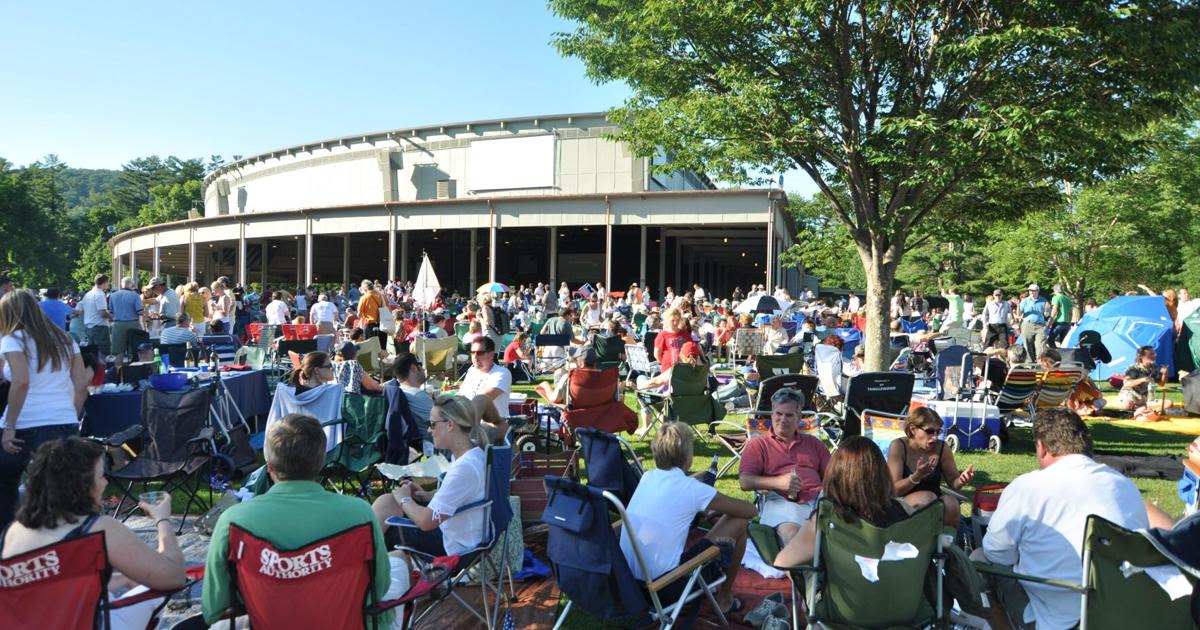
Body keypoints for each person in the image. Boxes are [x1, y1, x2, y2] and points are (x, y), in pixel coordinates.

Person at [203, 414, 399, 625]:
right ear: (321, 461)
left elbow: (214, 608)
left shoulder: (234, 522)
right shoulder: (360, 514)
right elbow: (380, 585)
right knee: (398, 562)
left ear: (269, 467)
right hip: (347, 622)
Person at [974, 409, 1148, 630]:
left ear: (1042, 448)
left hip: (1059, 618)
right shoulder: (1123, 485)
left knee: (978, 559)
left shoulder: (1028, 487)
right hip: (1119, 611)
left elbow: (996, 553)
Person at [2, 438, 186, 629]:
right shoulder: (96, 530)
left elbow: (51, 585)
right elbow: (174, 577)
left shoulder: (12, 532)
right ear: (81, 487)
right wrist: (162, 519)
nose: (106, 482)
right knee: (153, 587)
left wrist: (123, 578)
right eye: (100, 476)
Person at [620, 421, 755, 616]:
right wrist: (718, 512)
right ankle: (724, 599)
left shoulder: (647, 477)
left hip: (631, 585)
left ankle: (720, 592)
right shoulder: (692, 489)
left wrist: (708, 510)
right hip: (666, 588)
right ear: (688, 459)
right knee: (739, 522)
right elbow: (750, 511)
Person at [0, 290, 89, 529]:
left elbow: (21, 381)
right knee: (61, 489)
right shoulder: (65, 338)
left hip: (24, 425)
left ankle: (9, 543)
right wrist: (71, 414)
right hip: (63, 421)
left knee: (5, 485)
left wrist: (9, 425)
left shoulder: (13, 339)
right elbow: (82, 387)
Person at [774, 436, 934, 568]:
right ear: (881, 473)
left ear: (835, 474)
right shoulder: (905, 513)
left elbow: (783, 563)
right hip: (903, 602)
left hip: (844, 604)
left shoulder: (826, 518)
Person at [371, 395, 489, 560]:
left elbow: (426, 522)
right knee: (387, 501)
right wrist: (428, 495)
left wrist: (404, 499)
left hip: (454, 546)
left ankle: (360, 563)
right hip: (457, 532)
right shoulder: (473, 453)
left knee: (385, 520)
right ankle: (360, 559)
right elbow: (465, 496)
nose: (428, 430)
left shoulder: (465, 467)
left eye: (432, 424)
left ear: (450, 425)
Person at [739, 388, 831, 543]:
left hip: (820, 499)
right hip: (782, 500)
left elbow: (832, 474)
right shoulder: (759, 444)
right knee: (792, 535)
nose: (782, 419)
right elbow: (745, 481)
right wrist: (778, 483)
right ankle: (796, 565)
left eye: (789, 415)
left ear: (799, 417)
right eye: (778, 414)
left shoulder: (814, 443)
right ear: (772, 414)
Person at [886, 407, 975, 528]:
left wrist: (961, 479)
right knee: (927, 497)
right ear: (913, 429)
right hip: (902, 504)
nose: (935, 437)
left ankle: (947, 542)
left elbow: (954, 482)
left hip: (934, 502)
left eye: (938, 432)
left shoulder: (942, 448)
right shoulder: (898, 446)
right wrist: (917, 476)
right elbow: (894, 490)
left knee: (951, 502)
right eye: (930, 431)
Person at [457, 337, 512, 421]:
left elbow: (482, 400)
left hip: (494, 427)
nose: (475, 356)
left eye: (480, 353)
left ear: (491, 355)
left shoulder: (502, 373)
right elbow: (460, 396)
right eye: (472, 352)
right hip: (471, 423)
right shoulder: (471, 371)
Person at [1112, 345, 1172, 413]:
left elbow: (1161, 384)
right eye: (1151, 354)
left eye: (1154, 353)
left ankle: (1140, 409)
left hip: (1144, 399)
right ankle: (1142, 409)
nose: (1155, 355)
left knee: (1168, 403)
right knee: (1126, 405)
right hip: (1130, 395)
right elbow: (1127, 383)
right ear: (1141, 356)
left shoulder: (1154, 367)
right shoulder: (1134, 368)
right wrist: (1142, 379)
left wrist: (1165, 374)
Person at [108, 277, 144, 368]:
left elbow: (111, 313)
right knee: (137, 351)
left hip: (118, 325)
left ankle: (118, 375)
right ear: (132, 285)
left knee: (119, 353)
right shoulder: (135, 295)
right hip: (133, 324)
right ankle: (137, 373)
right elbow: (140, 312)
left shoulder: (113, 296)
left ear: (121, 284)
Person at [79, 274, 112, 356]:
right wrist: (112, 317)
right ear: (104, 283)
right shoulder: (100, 294)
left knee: (92, 353)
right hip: (99, 326)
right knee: (103, 352)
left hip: (88, 327)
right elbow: (102, 313)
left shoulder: (88, 294)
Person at [1018, 284, 1050, 362]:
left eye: (1033, 291)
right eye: (1030, 290)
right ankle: (1029, 365)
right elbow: (1019, 314)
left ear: (1038, 291)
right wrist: (1018, 305)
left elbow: (1047, 315)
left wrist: (1046, 311)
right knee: (1027, 345)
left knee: (1041, 346)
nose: (1031, 292)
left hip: (1040, 326)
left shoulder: (1044, 300)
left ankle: (1040, 363)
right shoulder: (1025, 301)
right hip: (1027, 325)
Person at [653, 307, 692, 372]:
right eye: (672, 320)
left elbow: (691, 348)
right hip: (668, 369)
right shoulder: (662, 335)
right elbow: (657, 354)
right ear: (667, 320)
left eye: (677, 320)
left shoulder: (685, 333)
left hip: (684, 368)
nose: (675, 323)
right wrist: (665, 363)